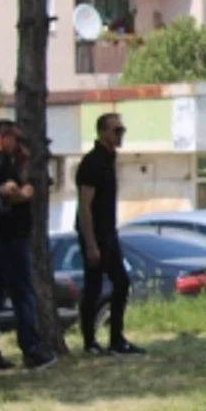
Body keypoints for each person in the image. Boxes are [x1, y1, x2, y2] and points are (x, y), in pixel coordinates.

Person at [0, 119, 53, 370]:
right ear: (3, 136)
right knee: (22, 295)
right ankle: (32, 350)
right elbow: (10, 191)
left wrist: (23, 165)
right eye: (16, 140)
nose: (18, 146)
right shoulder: (0, 161)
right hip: (9, 240)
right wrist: (26, 192)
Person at [77, 112, 142, 355]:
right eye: (116, 130)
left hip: (109, 232)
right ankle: (89, 341)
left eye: (122, 130)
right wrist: (91, 243)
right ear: (102, 132)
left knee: (122, 283)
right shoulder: (92, 162)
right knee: (93, 288)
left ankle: (117, 338)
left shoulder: (109, 160)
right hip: (95, 235)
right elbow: (85, 206)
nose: (120, 135)